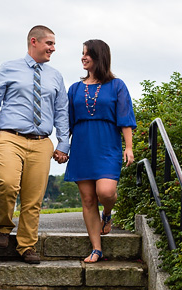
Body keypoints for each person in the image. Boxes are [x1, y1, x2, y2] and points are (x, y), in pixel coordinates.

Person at [0, 25, 70, 264]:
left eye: (54, 44)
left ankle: (26, 246)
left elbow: (61, 110)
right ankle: (3, 227)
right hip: (9, 137)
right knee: (7, 182)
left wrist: (63, 143)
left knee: (34, 198)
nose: (53, 48)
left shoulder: (55, 76)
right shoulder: (9, 67)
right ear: (34, 41)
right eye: (49, 43)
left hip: (42, 142)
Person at [64, 39, 136, 263]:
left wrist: (129, 147)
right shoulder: (75, 88)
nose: (83, 57)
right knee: (87, 199)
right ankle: (96, 248)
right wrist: (62, 147)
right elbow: (67, 122)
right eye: (82, 54)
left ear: (99, 57)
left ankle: (107, 214)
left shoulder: (117, 85)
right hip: (82, 146)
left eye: (88, 54)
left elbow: (125, 118)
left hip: (107, 145)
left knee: (105, 192)